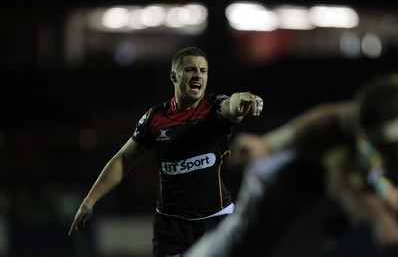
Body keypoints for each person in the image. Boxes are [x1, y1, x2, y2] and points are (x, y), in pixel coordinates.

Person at [68, 46, 264, 257]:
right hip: (171, 228)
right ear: (174, 75)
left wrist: (242, 100)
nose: (197, 74)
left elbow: (232, 106)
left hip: (216, 221)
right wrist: (89, 201)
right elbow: (124, 160)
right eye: (190, 69)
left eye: (203, 70)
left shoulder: (215, 108)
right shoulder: (155, 118)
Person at [185, 72, 398, 257]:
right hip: (284, 186)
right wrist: (381, 218)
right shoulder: (348, 149)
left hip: (308, 207)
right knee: (241, 243)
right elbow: (343, 178)